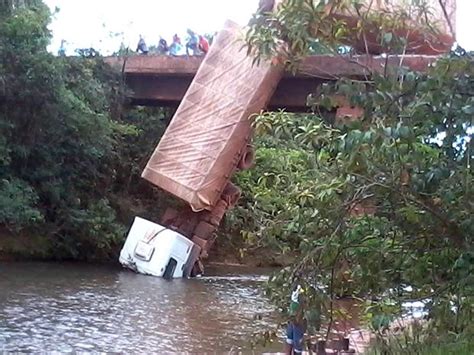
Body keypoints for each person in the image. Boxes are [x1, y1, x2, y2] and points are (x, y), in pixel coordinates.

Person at [285, 284, 307, 355]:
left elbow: (303, 305)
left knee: (297, 344)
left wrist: (298, 318)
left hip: (298, 322)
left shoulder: (304, 289)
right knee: (289, 340)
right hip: (292, 319)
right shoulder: (295, 285)